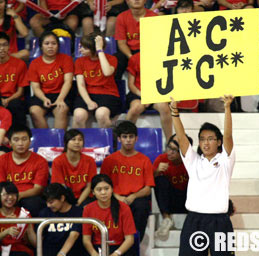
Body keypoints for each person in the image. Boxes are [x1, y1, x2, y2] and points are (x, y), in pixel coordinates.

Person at [170, 95, 235, 256]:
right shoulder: (193, 161)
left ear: (218, 142)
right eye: (202, 139)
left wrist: (227, 107)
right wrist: (174, 111)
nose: (206, 143)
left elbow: (228, 136)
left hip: (220, 222)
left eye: (211, 139)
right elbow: (181, 138)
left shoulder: (226, 160)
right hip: (194, 221)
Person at [100, 121, 155, 242]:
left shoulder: (144, 160)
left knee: (142, 206)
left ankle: (135, 242)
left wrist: (133, 196)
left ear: (136, 139)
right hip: (114, 197)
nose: (128, 140)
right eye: (125, 137)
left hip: (136, 199)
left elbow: (147, 189)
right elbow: (102, 185)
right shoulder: (109, 160)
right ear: (119, 139)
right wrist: (116, 196)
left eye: (131, 137)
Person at [0, 125, 49, 217]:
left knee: (35, 204)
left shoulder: (40, 161)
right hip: (6, 195)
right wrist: (10, 196)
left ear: (30, 141)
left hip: (29, 196)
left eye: (24, 139)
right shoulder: (1, 160)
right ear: (10, 143)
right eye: (16, 140)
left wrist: (19, 195)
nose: (20, 143)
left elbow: (38, 189)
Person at [73, 32, 121, 128]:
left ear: (94, 49)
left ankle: (107, 141)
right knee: (78, 116)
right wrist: (88, 102)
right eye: (81, 46)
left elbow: (107, 72)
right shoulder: (79, 61)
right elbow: (81, 85)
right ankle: (80, 141)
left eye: (85, 48)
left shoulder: (111, 59)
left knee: (101, 114)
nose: (80, 49)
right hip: (87, 94)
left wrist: (99, 50)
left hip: (108, 94)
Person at [27, 31, 73, 129]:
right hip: (42, 95)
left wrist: (60, 99)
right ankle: (46, 140)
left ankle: (58, 141)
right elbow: (35, 87)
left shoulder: (66, 59)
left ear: (58, 46)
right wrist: (44, 99)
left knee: (61, 109)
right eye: (47, 43)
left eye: (53, 43)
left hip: (62, 93)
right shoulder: (35, 63)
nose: (50, 46)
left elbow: (68, 82)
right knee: (34, 111)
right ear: (41, 46)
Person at [83, 174, 136, 256]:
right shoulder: (88, 209)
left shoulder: (124, 208)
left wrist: (116, 254)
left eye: (106, 189)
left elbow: (130, 239)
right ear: (93, 192)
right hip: (97, 248)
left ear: (112, 189)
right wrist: (94, 254)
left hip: (120, 248)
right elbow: (86, 239)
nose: (103, 192)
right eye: (99, 190)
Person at [114, 0, 158, 80]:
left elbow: (157, 43)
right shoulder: (121, 17)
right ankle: (115, 91)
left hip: (147, 51)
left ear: (145, 0)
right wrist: (132, 57)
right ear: (127, 1)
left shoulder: (154, 17)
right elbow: (121, 43)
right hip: (129, 51)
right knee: (117, 60)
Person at [125, 52, 172, 140]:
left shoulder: (162, 58)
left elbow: (165, 81)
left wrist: (150, 97)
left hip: (156, 93)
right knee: (135, 108)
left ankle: (170, 142)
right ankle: (124, 137)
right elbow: (131, 85)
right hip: (138, 93)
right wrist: (144, 96)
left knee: (164, 107)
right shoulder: (135, 58)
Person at [153, 134, 191, 241]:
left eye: (175, 150)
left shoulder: (190, 161)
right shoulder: (161, 159)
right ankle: (166, 219)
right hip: (171, 200)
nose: (170, 152)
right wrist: (156, 172)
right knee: (160, 180)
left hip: (187, 200)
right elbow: (149, 182)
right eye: (169, 148)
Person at [0, 181, 36, 256]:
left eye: (13, 194)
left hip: (21, 251)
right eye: (6, 194)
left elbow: (35, 243)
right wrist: (6, 232)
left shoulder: (24, 214)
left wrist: (26, 224)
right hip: (0, 250)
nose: (10, 197)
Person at [51, 129, 97, 206]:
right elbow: (60, 187)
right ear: (66, 142)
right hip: (65, 197)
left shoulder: (90, 161)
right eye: (73, 139)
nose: (77, 142)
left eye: (80, 139)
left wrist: (78, 203)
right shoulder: (58, 161)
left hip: (85, 197)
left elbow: (89, 186)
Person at [39, 183, 86, 256]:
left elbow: (74, 235)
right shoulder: (44, 213)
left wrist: (62, 253)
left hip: (72, 252)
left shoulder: (78, 212)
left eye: (51, 202)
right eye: (47, 202)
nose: (48, 205)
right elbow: (38, 240)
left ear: (62, 198)